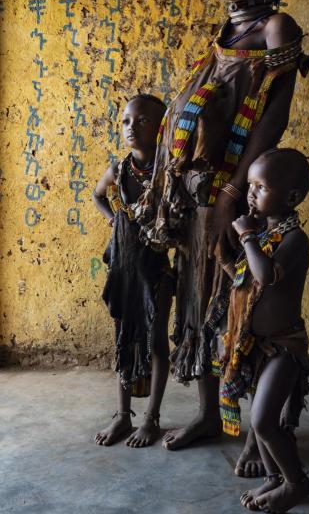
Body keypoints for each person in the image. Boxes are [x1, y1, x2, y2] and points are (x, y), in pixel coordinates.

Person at [139, 0, 309, 464]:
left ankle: (258, 435)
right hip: (199, 187)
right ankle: (211, 414)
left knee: (245, 304)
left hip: (238, 188)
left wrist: (236, 189)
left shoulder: (276, 26)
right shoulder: (227, 29)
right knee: (200, 298)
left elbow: (273, 114)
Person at [219, 148, 309, 512]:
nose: (252, 193)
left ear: (290, 197)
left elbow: (265, 276)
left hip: (285, 347)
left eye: (261, 186)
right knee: (260, 422)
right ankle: (274, 478)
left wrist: (245, 237)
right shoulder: (266, 234)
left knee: (263, 420)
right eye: (250, 186)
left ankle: (296, 483)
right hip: (259, 346)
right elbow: (246, 281)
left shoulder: (294, 240)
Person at [93, 94, 173, 448]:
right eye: (126, 120)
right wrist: (115, 222)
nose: (131, 128)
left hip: (156, 268)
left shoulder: (170, 171)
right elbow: (98, 195)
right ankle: (122, 415)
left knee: (155, 341)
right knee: (124, 336)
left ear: (161, 127)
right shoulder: (118, 170)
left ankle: (152, 418)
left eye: (142, 121)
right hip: (124, 266)